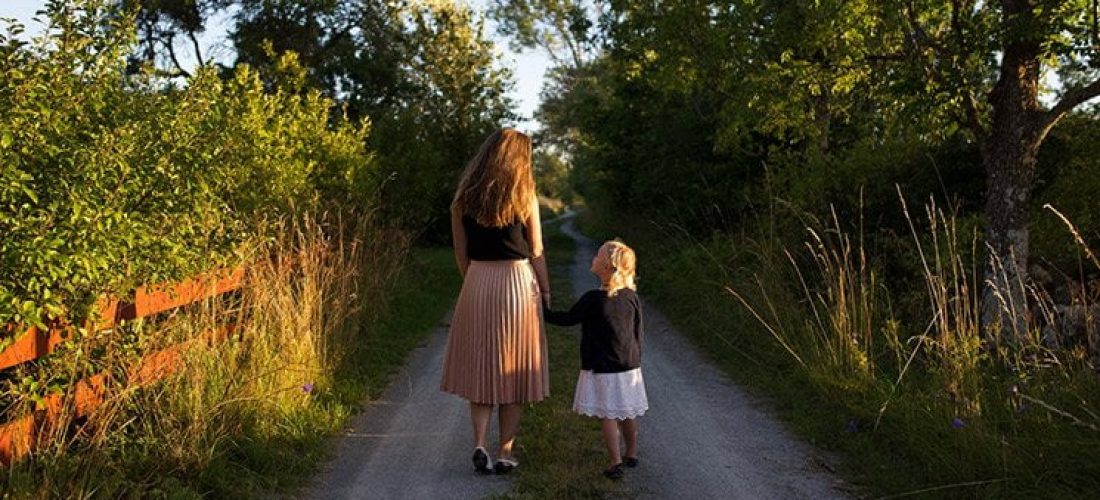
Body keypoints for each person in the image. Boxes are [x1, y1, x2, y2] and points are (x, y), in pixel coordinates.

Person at [440, 128, 551, 475]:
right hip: (517, 282)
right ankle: (505, 451)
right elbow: (536, 251)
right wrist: (545, 291)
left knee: (481, 369)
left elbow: (461, 254)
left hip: (477, 281)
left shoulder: (462, 200)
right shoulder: (524, 196)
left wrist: (475, 282)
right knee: (514, 370)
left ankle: (478, 444)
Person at [544, 239, 648, 480]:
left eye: (598, 255)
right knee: (627, 413)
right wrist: (636, 359)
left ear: (608, 267)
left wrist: (541, 311)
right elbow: (638, 332)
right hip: (628, 366)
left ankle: (615, 462)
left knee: (608, 415)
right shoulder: (632, 298)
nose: (593, 257)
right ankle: (631, 453)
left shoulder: (592, 299)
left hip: (602, 367)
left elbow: (567, 319)